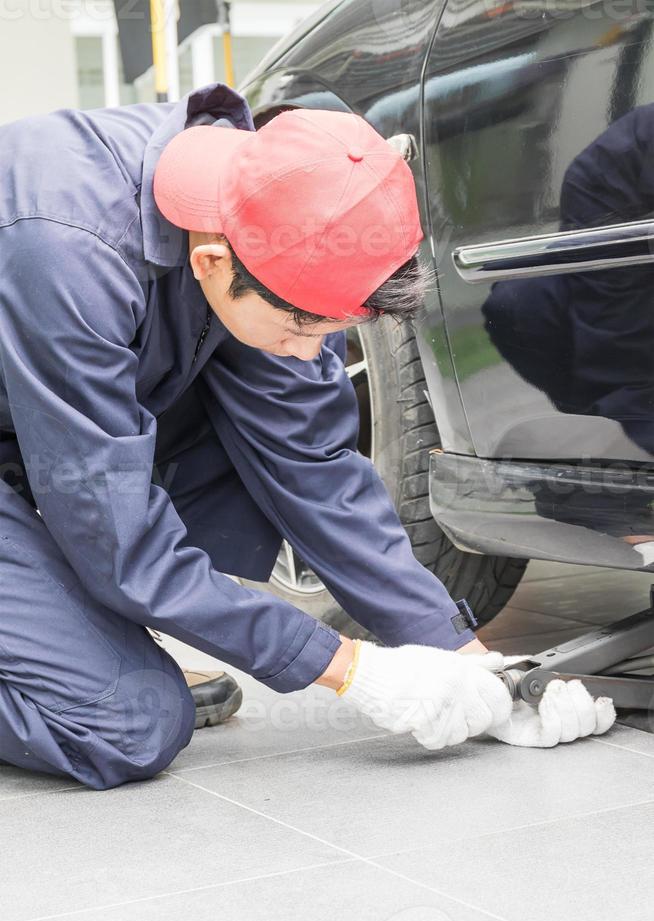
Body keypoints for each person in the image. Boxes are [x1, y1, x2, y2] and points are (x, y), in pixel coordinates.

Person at [0, 83, 615, 790]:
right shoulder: (68, 250)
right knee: (126, 722)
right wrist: (353, 670)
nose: (308, 350)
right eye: (301, 329)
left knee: (123, 690)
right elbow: (115, 535)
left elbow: (312, 463)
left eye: (329, 332)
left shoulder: (274, 218)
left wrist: (472, 662)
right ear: (210, 265)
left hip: (30, 434)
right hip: (38, 430)